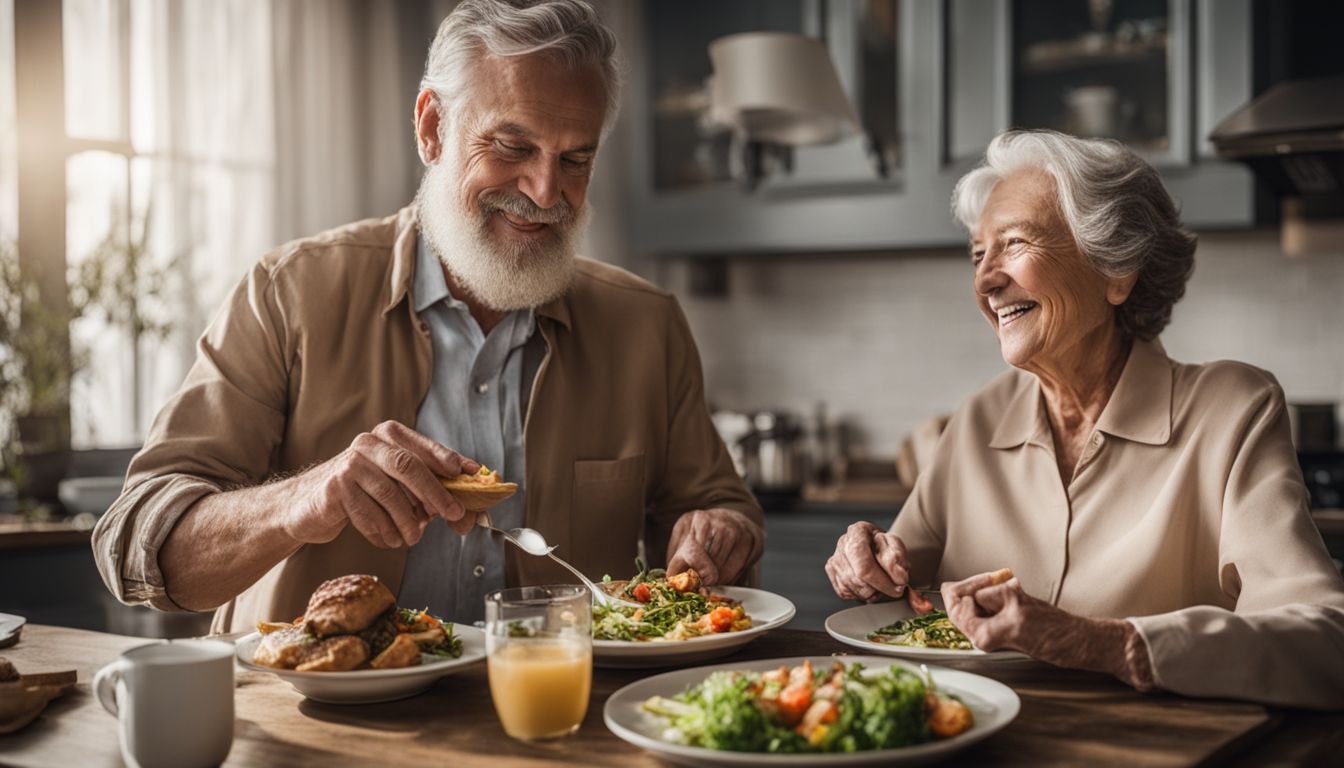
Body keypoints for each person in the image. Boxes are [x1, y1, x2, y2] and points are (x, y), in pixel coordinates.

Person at [93, 0, 763, 632]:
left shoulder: (646, 324)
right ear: (432, 127)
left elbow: (721, 512)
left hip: (563, 729)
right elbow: (135, 546)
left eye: (576, 158)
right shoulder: (286, 293)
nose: (545, 191)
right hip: (314, 734)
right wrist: (305, 499)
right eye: (512, 147)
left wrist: (717, 533)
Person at [826, 129, 1344, 708]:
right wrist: (866, 562)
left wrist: (1105, 644)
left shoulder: (1231, 410)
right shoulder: (977, 421)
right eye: (978, 254)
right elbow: (895, 588)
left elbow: (1326, 641)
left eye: (1015, 243)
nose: (986, 280)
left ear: (1116, 272)